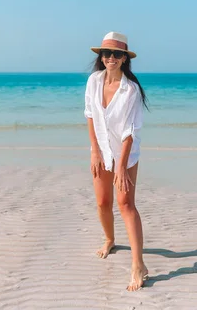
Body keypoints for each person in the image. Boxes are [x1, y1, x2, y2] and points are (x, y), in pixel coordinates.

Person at [84, 31, 150, 291]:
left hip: (126, 153)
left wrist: (121, 167)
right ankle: (109, 239)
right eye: (106, 53)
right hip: (100, 150)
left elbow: (130, 131)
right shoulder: (93, 81)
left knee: (125, 204)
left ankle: (138, 264)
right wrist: (94, 151)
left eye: (117, 54)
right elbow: (90, 114)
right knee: (102, 202)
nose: (111, 58)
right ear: (101, 57)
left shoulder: (131, 89)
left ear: (124, 59)